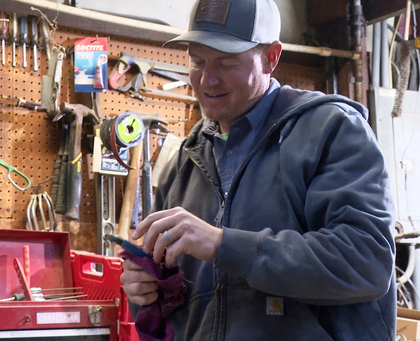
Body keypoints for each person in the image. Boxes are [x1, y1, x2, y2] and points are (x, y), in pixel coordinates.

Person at [120, 0, 397, 339]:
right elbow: (181, 304)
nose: (206, 79)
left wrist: (225, 245)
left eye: (226, 62)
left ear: (271, 58)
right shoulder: (186, 159)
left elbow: (367, 263)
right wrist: (147, 291)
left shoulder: (331, 131)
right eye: (197, 61)